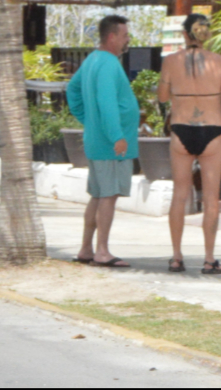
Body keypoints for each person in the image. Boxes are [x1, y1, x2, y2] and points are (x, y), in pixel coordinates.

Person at [158, 13, 221, 275]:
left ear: (185, 34)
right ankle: (209, 259)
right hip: (213, 130)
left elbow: (162, 97)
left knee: (179, 195)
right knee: (211, 199)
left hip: (181, 129)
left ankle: (176, 257)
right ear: (207, 34)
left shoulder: (171, 62)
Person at [68, 14, 137, 269]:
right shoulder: (108, 62)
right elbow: (107, 102)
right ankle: (102, 251)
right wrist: (116, 135)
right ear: (112, 37)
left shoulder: (92, 60)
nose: (127, 40)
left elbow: (72, 90)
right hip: (110, 143)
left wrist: (89, 119)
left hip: (98, 139)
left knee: (98, 195)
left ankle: (86, 248)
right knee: (108, 195)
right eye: (124, 35)